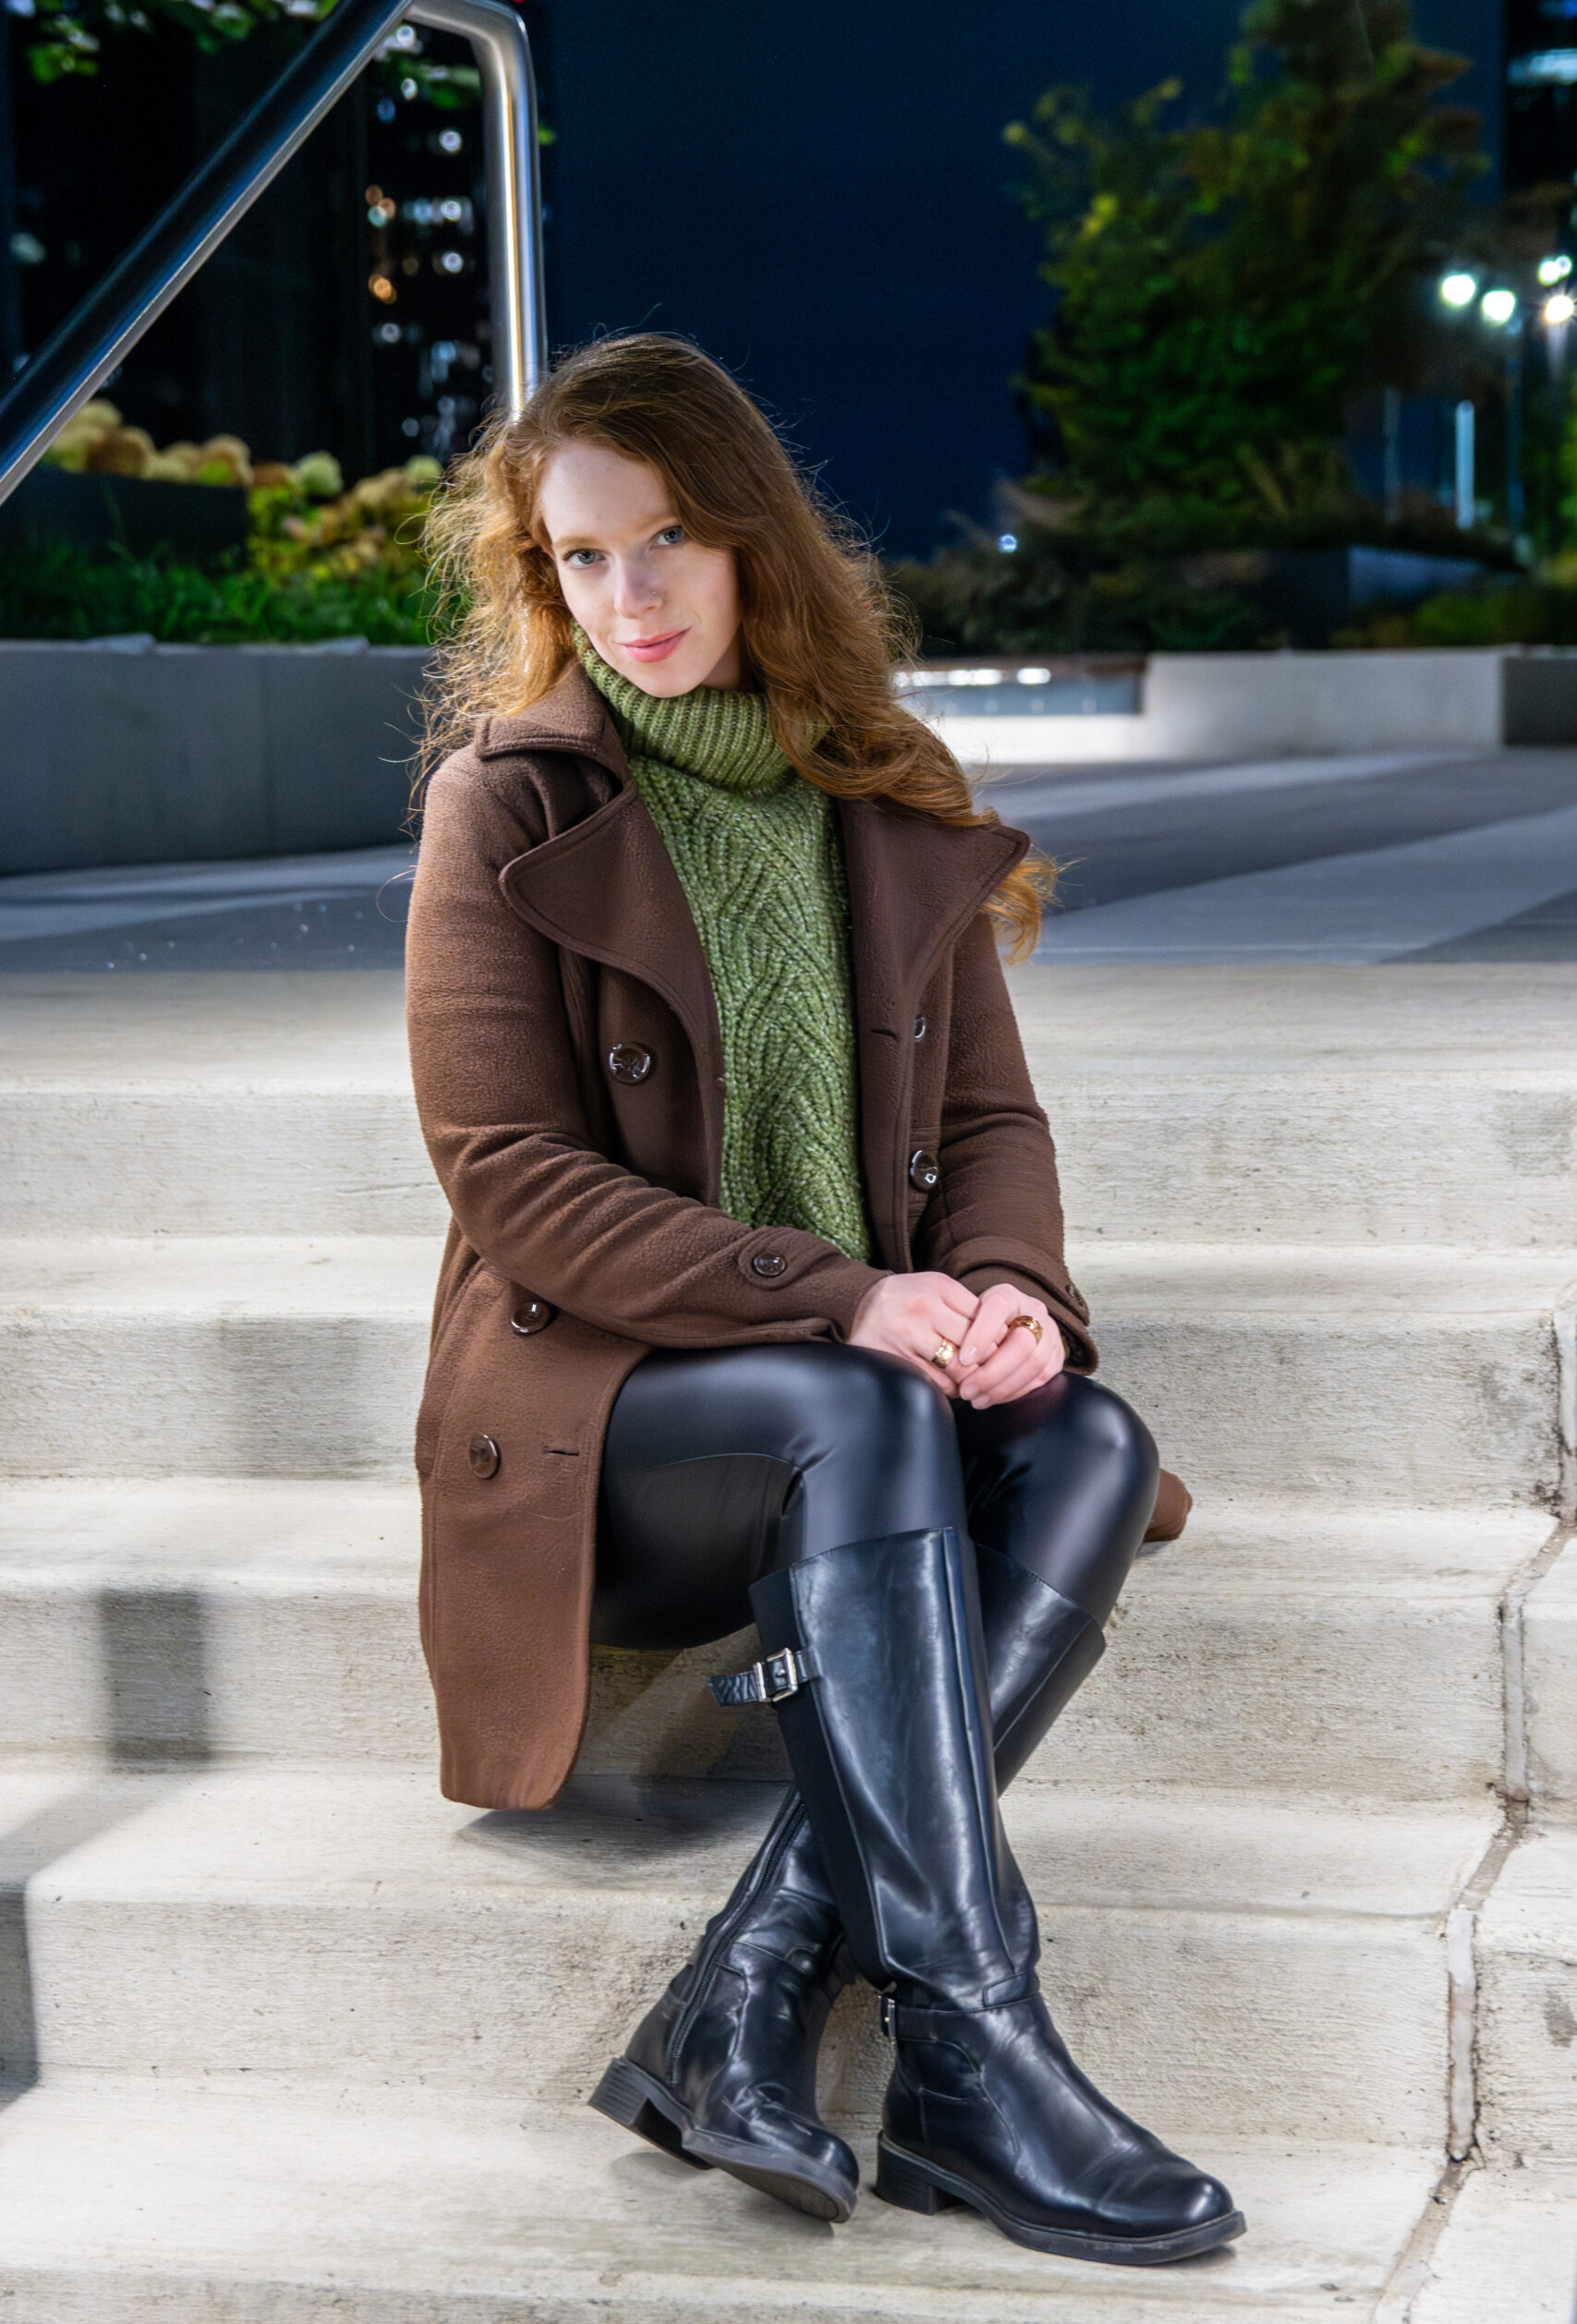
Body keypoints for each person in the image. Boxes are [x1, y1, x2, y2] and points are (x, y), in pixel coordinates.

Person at [404, 333, 1243, 2269]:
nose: (631, 594)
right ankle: (974, 2041)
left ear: (749, 538)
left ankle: (755, 1972)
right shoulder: (505, 804)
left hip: (846, 1396)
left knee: (1087, 1436)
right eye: (583, 557)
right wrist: (845, 1293)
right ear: (543, 576)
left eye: (668, 539)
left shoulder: (877, 790)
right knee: (859, 1402)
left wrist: (1005, 1290)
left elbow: (991, 1118)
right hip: (609, 1422)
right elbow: (510, 1177)